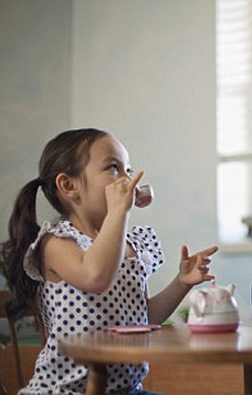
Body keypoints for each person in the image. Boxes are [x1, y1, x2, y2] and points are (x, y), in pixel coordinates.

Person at [0, 128, 218, 394]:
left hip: (127, 389)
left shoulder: (132, 246)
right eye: (114, 168)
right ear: (69, 186)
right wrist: (118, 212)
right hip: (63, 391)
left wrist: (181, 283)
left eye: (128, 168)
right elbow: (95, 277)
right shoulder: (57, 243)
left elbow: (143, 317)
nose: (128, 178)